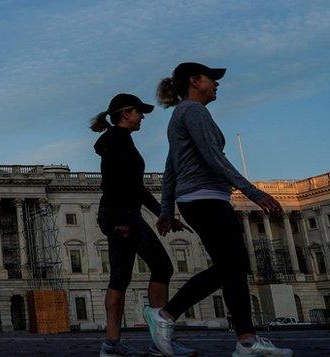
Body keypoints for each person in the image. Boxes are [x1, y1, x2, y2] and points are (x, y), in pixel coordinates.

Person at [144, 62, 292, 357]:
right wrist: (252, 192)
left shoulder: (180, 114)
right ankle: (166, 314)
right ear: (195, 81)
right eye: (212, 79)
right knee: (231, 267)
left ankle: (246, 340)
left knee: (234, 268)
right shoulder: (193, 111)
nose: (217, 84)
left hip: (198, 198)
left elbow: (171, 167)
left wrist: (165, 210)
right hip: (205, 197)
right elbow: (213, 157)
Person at [91, 93, 193, 357]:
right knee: (162, 267)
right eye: (139, 112)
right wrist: (122, 220)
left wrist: (163, 214)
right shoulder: (119, 140)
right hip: (121, 213)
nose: (142, 117)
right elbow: (115, 181)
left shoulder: (116, 140)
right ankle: (161, 341)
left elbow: (136, 188)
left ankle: (112, 344)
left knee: (120, 278)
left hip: (116, 212)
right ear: (125, 112)